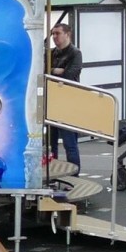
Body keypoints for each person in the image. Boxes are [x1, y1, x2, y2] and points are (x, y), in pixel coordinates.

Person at [47, 23, 84, 168]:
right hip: (52, 101)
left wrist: (53, 71)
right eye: (53, 34)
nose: (54, 37)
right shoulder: (50, 53)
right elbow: (42, 71)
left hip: (69, 102)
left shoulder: (75, 53)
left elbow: (69, 75)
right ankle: (53, 174)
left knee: (70, 143)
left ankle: (75, 175)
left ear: (67, 34)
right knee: (51, 144)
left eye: (57, 33)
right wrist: (57, 70)